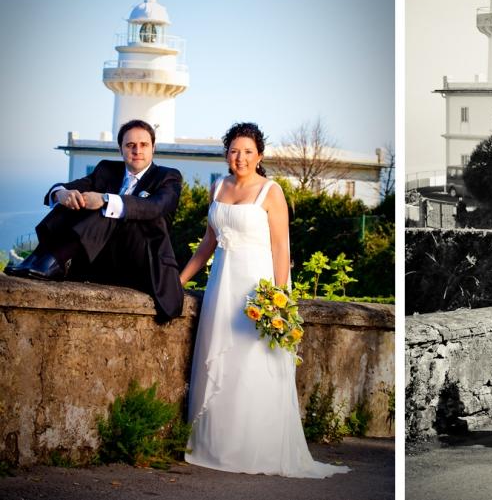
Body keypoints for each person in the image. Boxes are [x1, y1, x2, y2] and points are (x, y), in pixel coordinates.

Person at [179, 122, 349, 478]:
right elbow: (208, 243)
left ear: (259, 156)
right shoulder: (218, 187)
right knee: (220, 360)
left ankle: (252, 447)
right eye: (234, 150)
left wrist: (279, 299)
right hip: (220, 287)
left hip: (257, 288)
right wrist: (179, 280)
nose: (239, 157)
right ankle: (216, 444)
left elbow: (281, 246)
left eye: (247, 151)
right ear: (227, 153)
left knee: (252, 365)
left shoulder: (270, 192)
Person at [4, 119, 184, 321]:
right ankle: (42, 258)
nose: (137, 150)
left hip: (143, 262)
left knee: (108, 206)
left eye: (143, 145)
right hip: (104, 260)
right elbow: (71, 187)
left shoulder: (168, 176)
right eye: (130, 145)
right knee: (75, 197)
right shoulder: (107, 170)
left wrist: (106, 199)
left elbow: (155, 207)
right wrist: (61, 194)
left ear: (153, 148)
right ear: (121, 149)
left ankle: (55, 261)